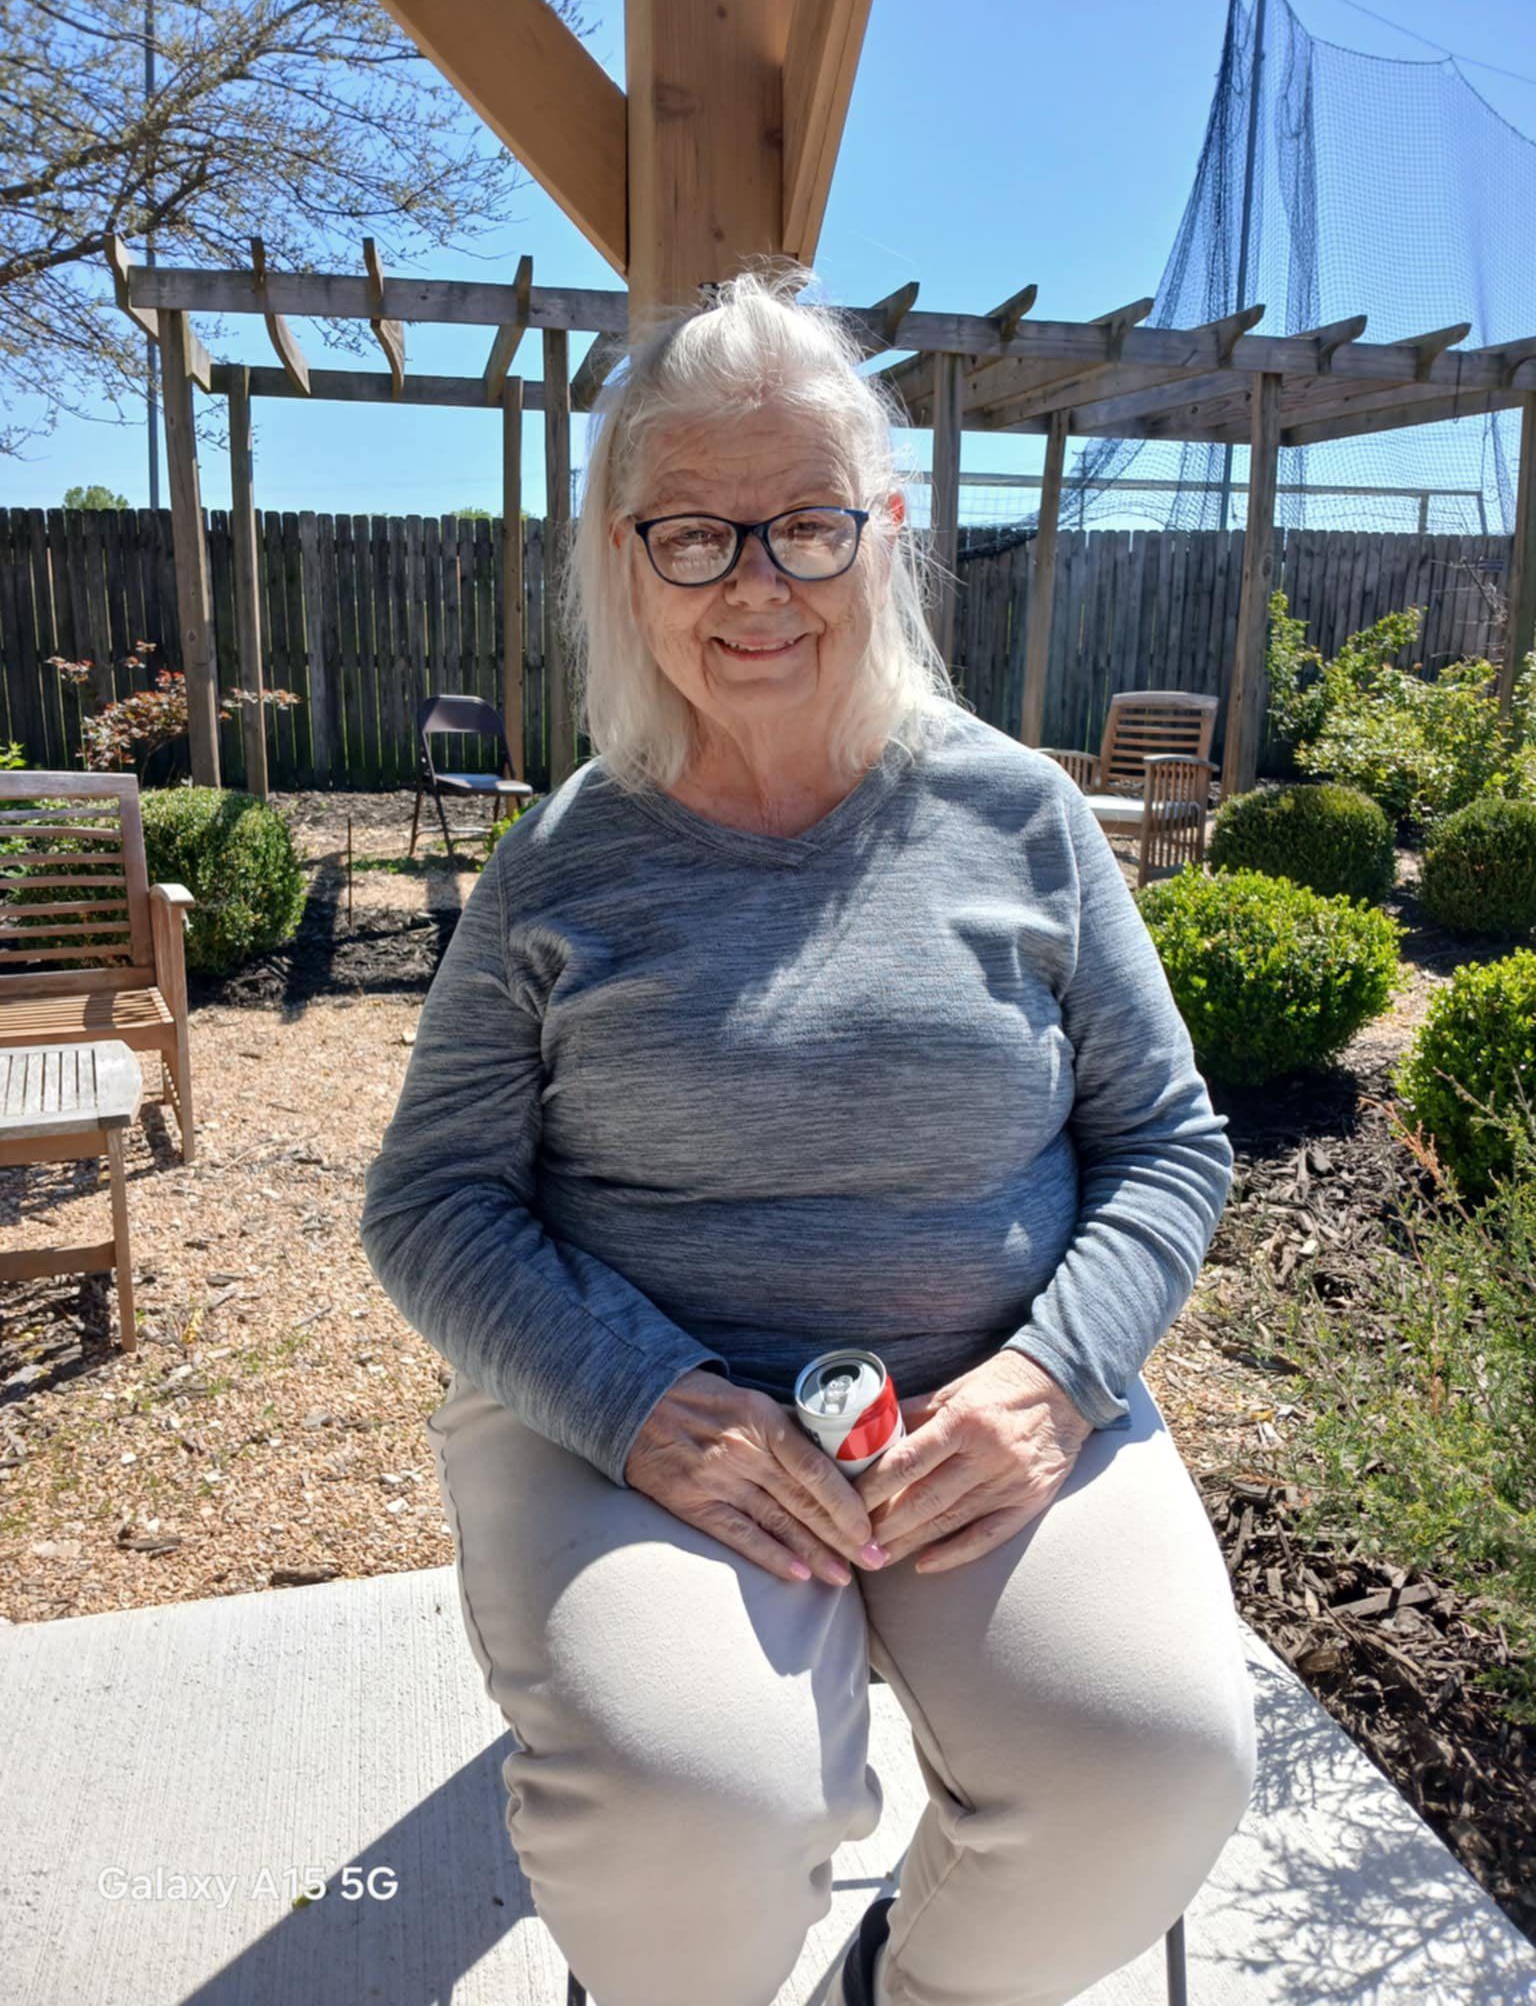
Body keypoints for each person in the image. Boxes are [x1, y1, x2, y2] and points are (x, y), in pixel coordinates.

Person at [361, 261, 1256, 2006]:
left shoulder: (1024, 817)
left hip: (983, 1418)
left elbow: (1168, 1142)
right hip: (644, 1428)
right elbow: (434, 1202)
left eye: (807, 527)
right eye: (695, 532)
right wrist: (638, 1406)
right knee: (687, 1803)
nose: (756, 583)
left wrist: (1052, 1381)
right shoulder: (561, 863)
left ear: (888, 532)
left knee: (1150, 1763)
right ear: (626, 559)